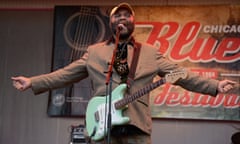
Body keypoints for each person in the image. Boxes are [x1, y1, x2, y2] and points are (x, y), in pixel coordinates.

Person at [11, 2, 237, 144]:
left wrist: (214, 86)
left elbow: (180, 74)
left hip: (136, 127)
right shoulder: (95, 51)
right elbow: (65, 74)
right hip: (102, 127)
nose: (122, 18)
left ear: (133, 21)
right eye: (117, 15)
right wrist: (33, 81)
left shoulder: (150, 53)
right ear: (111, 21)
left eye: (127, 15)